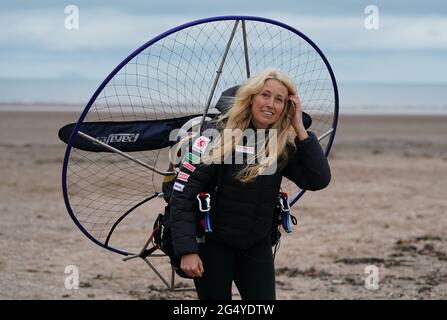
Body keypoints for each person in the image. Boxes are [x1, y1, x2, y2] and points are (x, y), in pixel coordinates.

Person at [168, 68, 331, 300]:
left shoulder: (281, 142)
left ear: (287, 106)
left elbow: (318, 180)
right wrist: (187, 251)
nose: (270, 104)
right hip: (212, 243)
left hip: (256, 243)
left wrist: (299, 127)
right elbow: (182, 192)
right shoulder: (214, 134)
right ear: (251, 97)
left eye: (279, 100)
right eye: (265, 95)